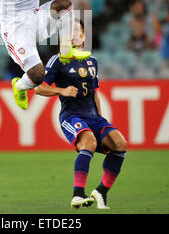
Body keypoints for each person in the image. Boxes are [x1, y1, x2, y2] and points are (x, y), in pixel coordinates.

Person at [35, 20, 127, 209]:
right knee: (89, 142)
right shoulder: (58, 60)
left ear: (84, 37)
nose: (73, 34)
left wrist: (101, 119)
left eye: (77, 30)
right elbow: (38, 88)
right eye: (69, 31)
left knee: (120, 144)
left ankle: (101, 192)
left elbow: (95, 93)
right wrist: (61, 91)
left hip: (94, 116)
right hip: (72, 115)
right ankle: (78, 194)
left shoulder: (92, 61)